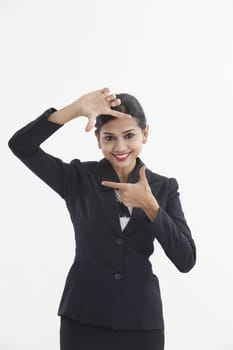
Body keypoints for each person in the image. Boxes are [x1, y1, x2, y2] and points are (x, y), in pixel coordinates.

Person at [8, 87, 196, 350]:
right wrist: (74, 110)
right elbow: (21, 146)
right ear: (98, 139)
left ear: (145, 134)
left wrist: (152, 207)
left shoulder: (164, 188)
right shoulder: (77, 178)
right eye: (109, 138)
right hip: (83, 318)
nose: (120, 147)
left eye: (129, 135)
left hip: (141, 321)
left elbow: (186, 260)